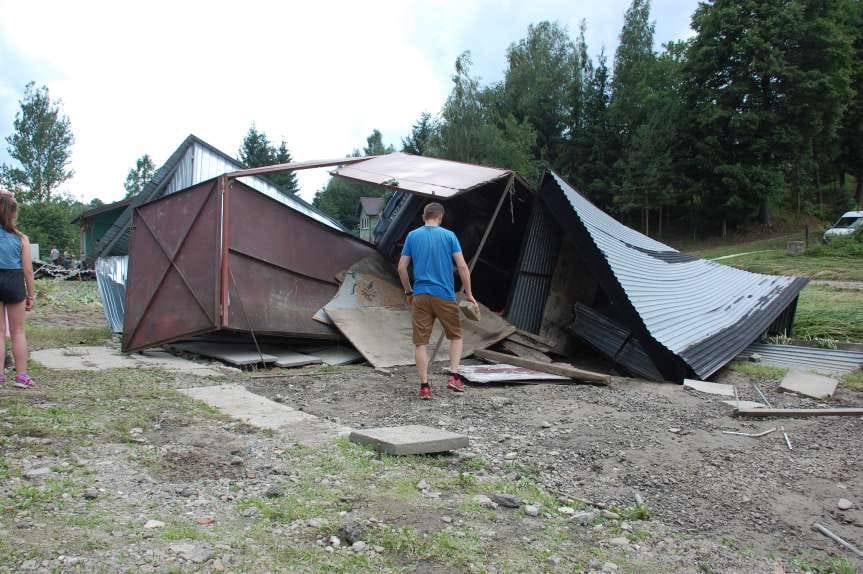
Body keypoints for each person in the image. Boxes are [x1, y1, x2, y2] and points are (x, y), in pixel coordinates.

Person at [398, 202, 476, 400]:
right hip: (444, 295)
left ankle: (425, 387)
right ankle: (453, 377)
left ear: (424, 216)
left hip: (420, 295)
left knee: (420, 343)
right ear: (440, 217)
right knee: (455, 336)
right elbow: (462, 267)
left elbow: (401, 268)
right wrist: (468, 294)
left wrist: (408, 291)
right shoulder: (449, 236)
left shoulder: (412, 236)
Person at [0, 189, 35, 389]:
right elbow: (28, 271)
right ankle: (21, 376)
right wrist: (30, 295)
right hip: (14, 282)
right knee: (18, 332)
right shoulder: (22, 238)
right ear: (13, 214)